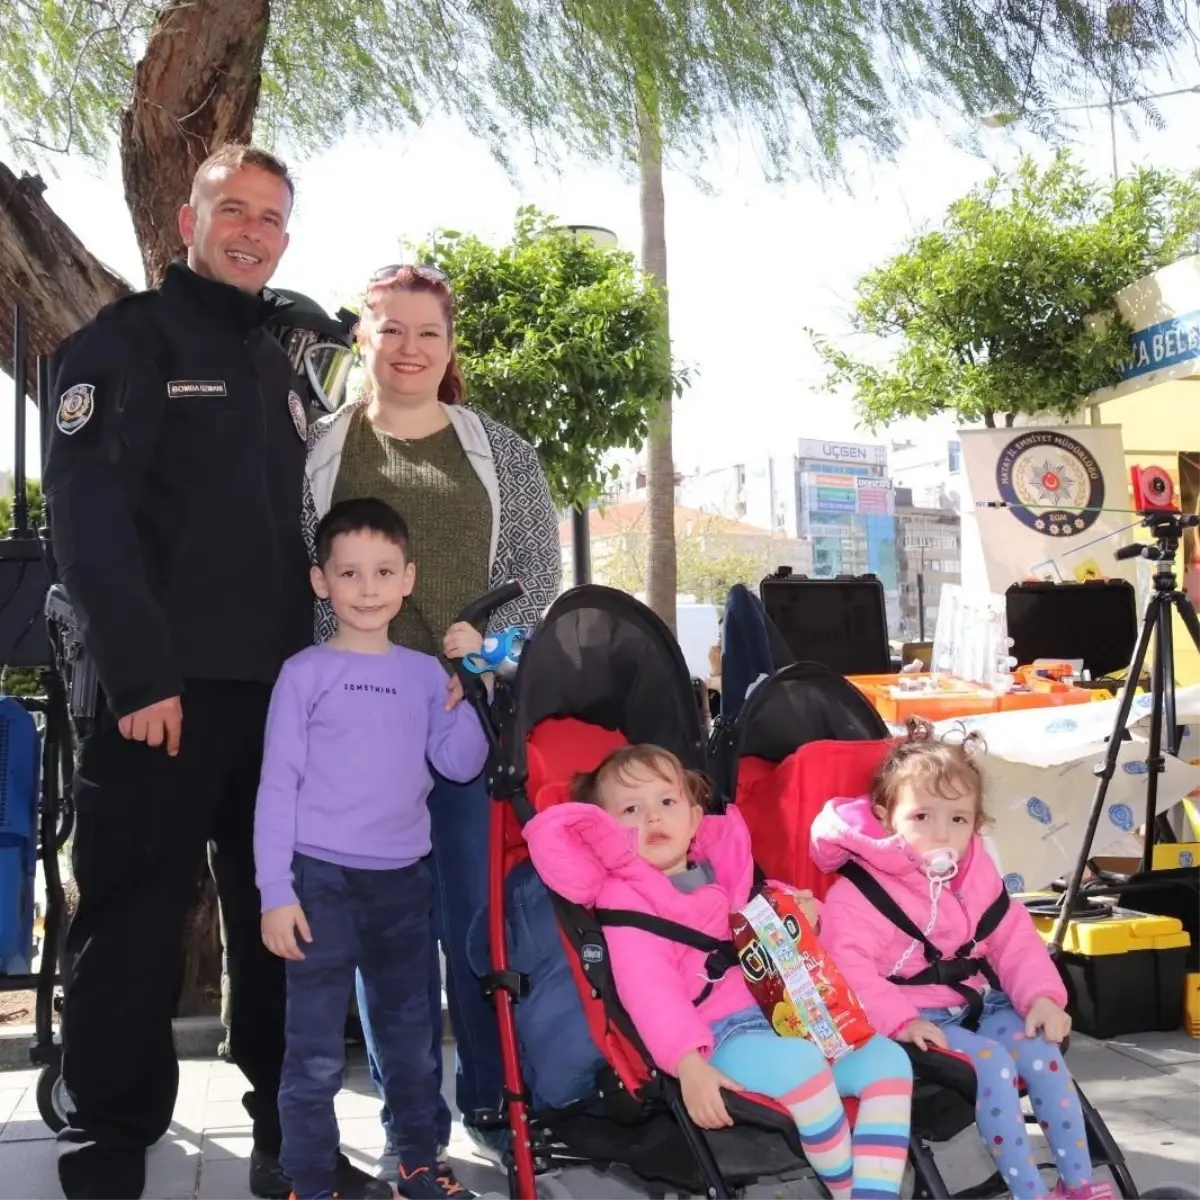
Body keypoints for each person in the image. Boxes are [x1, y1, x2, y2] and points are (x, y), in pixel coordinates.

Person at [43, 143, 385, 1200]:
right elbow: (89, 522)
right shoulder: (125, 344)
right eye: (231, 210)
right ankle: (112, 1131)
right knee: (135, 916)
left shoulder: (284, 365)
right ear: (187, 223)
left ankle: (292, 1133)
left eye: (272, 217)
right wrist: (143, 677)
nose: (252, 231)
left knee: (285, 920)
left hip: (282, 704)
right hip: (165, 697)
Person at [302, 264, 561, 1180]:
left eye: (430, 333)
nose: (410, 349)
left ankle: (491, 1099)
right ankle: (412, 1124)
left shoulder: (499, 453)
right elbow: (306, 584)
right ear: (363, 341)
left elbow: (535, 579)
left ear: (451, 349)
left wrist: (483, 656)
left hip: (467, 722)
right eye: (392, 330)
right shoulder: (321, 451)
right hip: (360, 728)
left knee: (471, 923)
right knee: (386, 938)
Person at [525, 746, 915, 1200]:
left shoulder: (728, 870)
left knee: (888, 1062)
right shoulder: (626, 902)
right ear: (605, 833)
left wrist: (809, 914)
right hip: (717, 1039)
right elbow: (650, 993)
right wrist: (687, 1063)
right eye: (632, 809)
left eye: (666, 802)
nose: (653, 818)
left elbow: (782, 911)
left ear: (694, 818)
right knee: (803, 1066)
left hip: (792, 1015)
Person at [255, 497, 489, 1200]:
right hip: (317, 880)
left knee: (412, 1042)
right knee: (315, 1053)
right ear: (320, 581)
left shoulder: (423, 676)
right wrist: (275, 891)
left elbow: (459, 764)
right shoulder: (304, 674)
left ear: (408, 579)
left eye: (383, 571)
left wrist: (472, 693)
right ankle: (308, 1180)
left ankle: (420, 1164)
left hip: (402, 885)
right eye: (349, 573)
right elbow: (276, 787)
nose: (367, 587)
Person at [810, 720, 1115, 1200]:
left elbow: (1013, 937)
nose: (941, 833)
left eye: (957, 819)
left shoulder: (976, 875)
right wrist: (900, 1020)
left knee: (1042, 1056)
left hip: (979, 1002)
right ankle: (1029, 1192)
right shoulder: (858, 894)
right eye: (922, 817)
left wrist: (1042, 996)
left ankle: (1077, 1185)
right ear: (886, 817)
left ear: (976, 824)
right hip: (919, 1018)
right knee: (991, 1066)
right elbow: (847, 969)